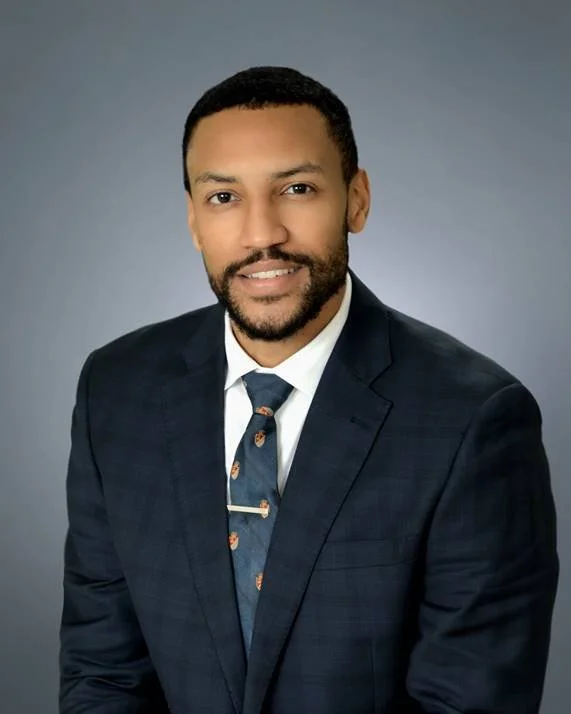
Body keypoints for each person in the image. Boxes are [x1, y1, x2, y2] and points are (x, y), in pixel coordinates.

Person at [59, 66, 559, 714]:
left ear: (355, 198)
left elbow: (468, 702)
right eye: (223, 197)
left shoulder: (474, 420)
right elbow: (103, 673)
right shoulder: (116, 389)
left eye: (296, 188)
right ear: (191, 219)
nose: (260, 232)